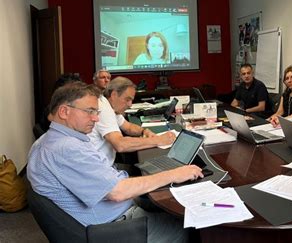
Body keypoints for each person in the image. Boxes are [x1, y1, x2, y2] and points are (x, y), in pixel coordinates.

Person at [28, 82, 201, 242]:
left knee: (168, 200)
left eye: (96, 112)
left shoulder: (46, 141)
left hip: (107, 212)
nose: (95, 119)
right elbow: (117, 192)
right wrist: (175, 174)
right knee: (189, 228)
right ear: (64, 111)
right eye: (89, 111)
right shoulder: (66, 148)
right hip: (114, 226)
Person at [88, 77, 175, 166]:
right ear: (114, 95)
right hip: (100, 169)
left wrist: (144, 131)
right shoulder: (104, 110)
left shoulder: (110, 106)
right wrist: (158, 140)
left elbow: (128, 127)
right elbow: (120, 145)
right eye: (127, 99)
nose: (130, 104)